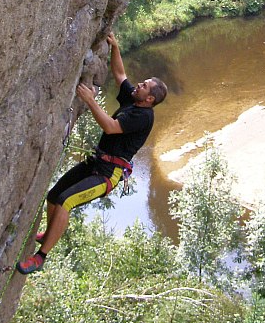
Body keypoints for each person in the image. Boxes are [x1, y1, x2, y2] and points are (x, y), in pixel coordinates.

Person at [16, 32, 167, 274]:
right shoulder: (133, 100)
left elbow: (110, 127)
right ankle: (49, 233)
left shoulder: (143, 116)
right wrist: (115, 47)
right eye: (143, 82)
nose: (139, 84)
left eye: (144, 86)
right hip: (97, 162)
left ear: (149, 99)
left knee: (67, 200)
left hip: (108, 174)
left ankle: (40, 257)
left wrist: (90, 101)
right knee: (54, 195)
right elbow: (120, 75)